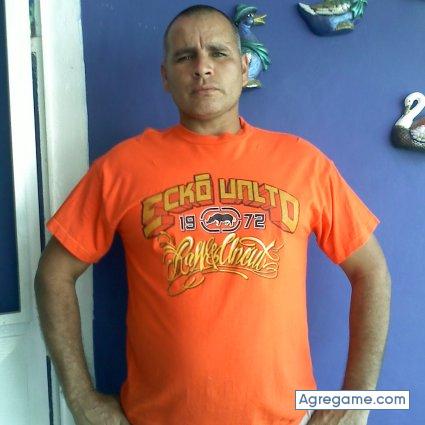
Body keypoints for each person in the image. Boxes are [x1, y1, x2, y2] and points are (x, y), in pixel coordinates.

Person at [34, 4, 391, 425]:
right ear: (165, 76)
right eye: (185, 56)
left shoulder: (303, 163)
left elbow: (371, 271)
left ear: (244, 68)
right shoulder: (121, 168)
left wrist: (357, 401)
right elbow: (53, 274)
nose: (202, 68)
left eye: (218, 53)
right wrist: (80, 398)